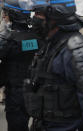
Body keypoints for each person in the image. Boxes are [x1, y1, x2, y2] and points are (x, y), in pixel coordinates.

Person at [20, 0, 83, 131]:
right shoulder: (50, 44)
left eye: (39, 14)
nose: (34, 18)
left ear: (55, 17)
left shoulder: (77, 50)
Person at [0, 0, 44, 131]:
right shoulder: (36, 36)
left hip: (15, 93)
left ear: (13, 15)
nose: (3, 16)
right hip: (33, 89)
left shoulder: (8, 39)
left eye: (5, 13)